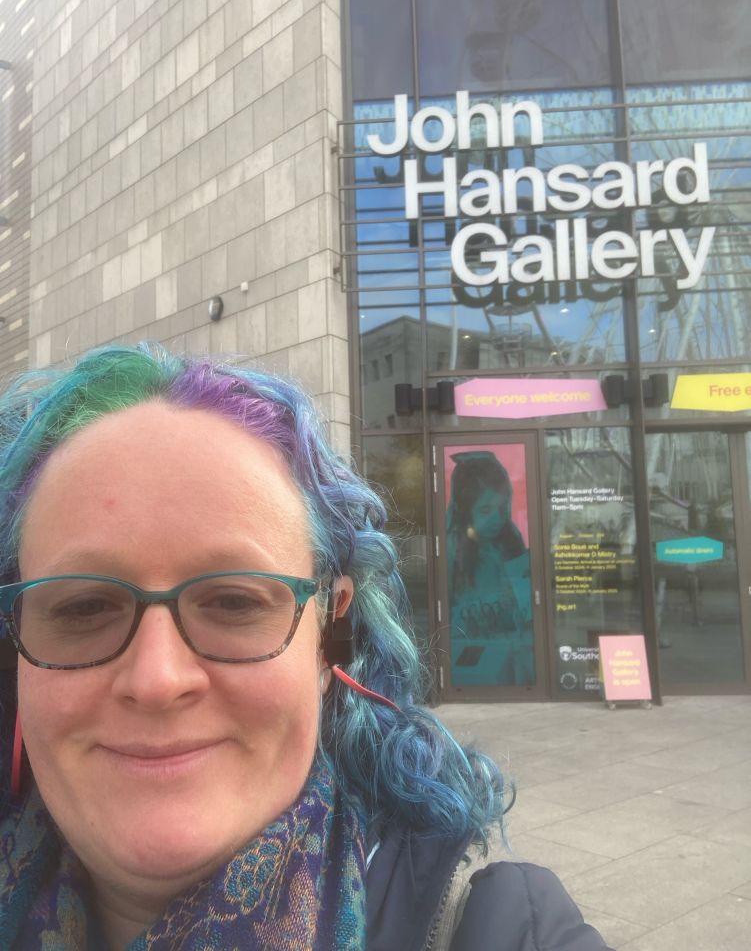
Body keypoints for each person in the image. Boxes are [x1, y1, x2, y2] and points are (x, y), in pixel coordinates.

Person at [0, 343, 612, 950]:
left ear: (330, 636)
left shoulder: (504, 927)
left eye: (234, 602)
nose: (158, 679)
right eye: (83, 608)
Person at [446, 451, 535, 687]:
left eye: (503, 507)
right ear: (466, 512)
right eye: (486, 510)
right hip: (469, 658)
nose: (498, 518)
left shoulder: (511, 543)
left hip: (512, 658)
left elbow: (527, 609)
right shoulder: (451, 552)